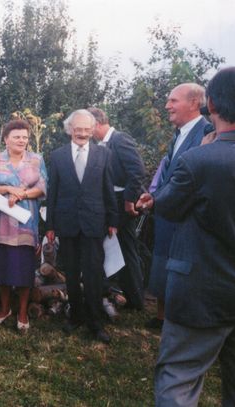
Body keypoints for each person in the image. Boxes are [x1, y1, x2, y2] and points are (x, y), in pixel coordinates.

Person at [136, 66, 235, 406]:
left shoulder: (199, 160)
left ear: (209, 105)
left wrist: (153, 201)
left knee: (179, 381)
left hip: (201, 292)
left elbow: (169, 208)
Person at [46, 109, 118, 344]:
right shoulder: (57, 156)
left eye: (87, 129)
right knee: (71, 273)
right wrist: (50, 225)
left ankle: (95, 322)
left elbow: (108, 188)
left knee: (94, 273)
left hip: (94, 222)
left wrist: (113, 220)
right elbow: (53, 192)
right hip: (67, 223)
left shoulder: (104, 154)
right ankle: (75, 315)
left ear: (93, 130)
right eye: (78, 129)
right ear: (70, 129)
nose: (83, 133)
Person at [146, 83, 212, 330]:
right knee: (163, 263)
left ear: (194, 103)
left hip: (187, 219)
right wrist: (154, 198)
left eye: (173, 101)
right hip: (167, 215)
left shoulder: (207, 133)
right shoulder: (179, 134)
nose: (167, 106)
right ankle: (163, 317)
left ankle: (179, 320)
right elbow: (169, 175)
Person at [0, 120, 47, 331]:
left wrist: (22, 194)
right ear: (6, 139)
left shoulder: (36, 160)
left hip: (26, 223)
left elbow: (43, 187)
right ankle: (4, 309)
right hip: (1, 222)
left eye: (24, 137)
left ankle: (22, 312)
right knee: (2, 267)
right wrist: (8, 190)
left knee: (24, 269)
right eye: (16, 137)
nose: (21, 140)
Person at [88, 107, 147, 310]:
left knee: (125, 248)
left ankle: (135, 299)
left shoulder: (120, 139)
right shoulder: (101, 144)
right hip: (109, 201)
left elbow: (138, 171)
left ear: (96, 124)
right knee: (117, 247)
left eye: (88, 127)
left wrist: (129, 200)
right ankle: (124, 295)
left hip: (122, 201)